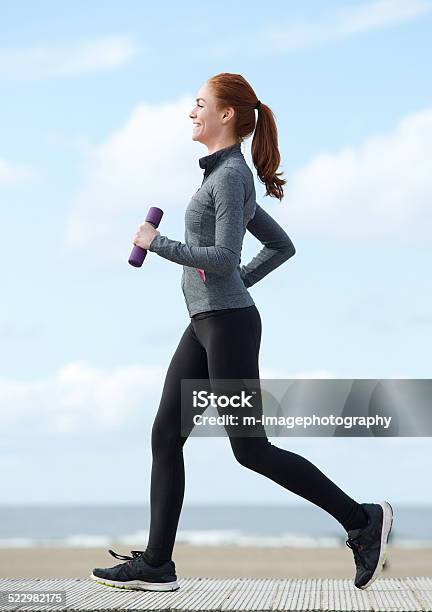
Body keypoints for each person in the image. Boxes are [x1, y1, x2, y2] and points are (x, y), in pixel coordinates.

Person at [90, 73, 393, 593]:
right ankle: (158, 563)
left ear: (226, 115)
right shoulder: (221, 176)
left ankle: (362, 521)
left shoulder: (230, 176)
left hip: (227, 327)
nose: (191, 112)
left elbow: (225, 259)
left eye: (199, 104)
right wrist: (229, 288)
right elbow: (279, 245)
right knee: (166, 435)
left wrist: (157, 243)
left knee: (250, 449)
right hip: (208, 324)